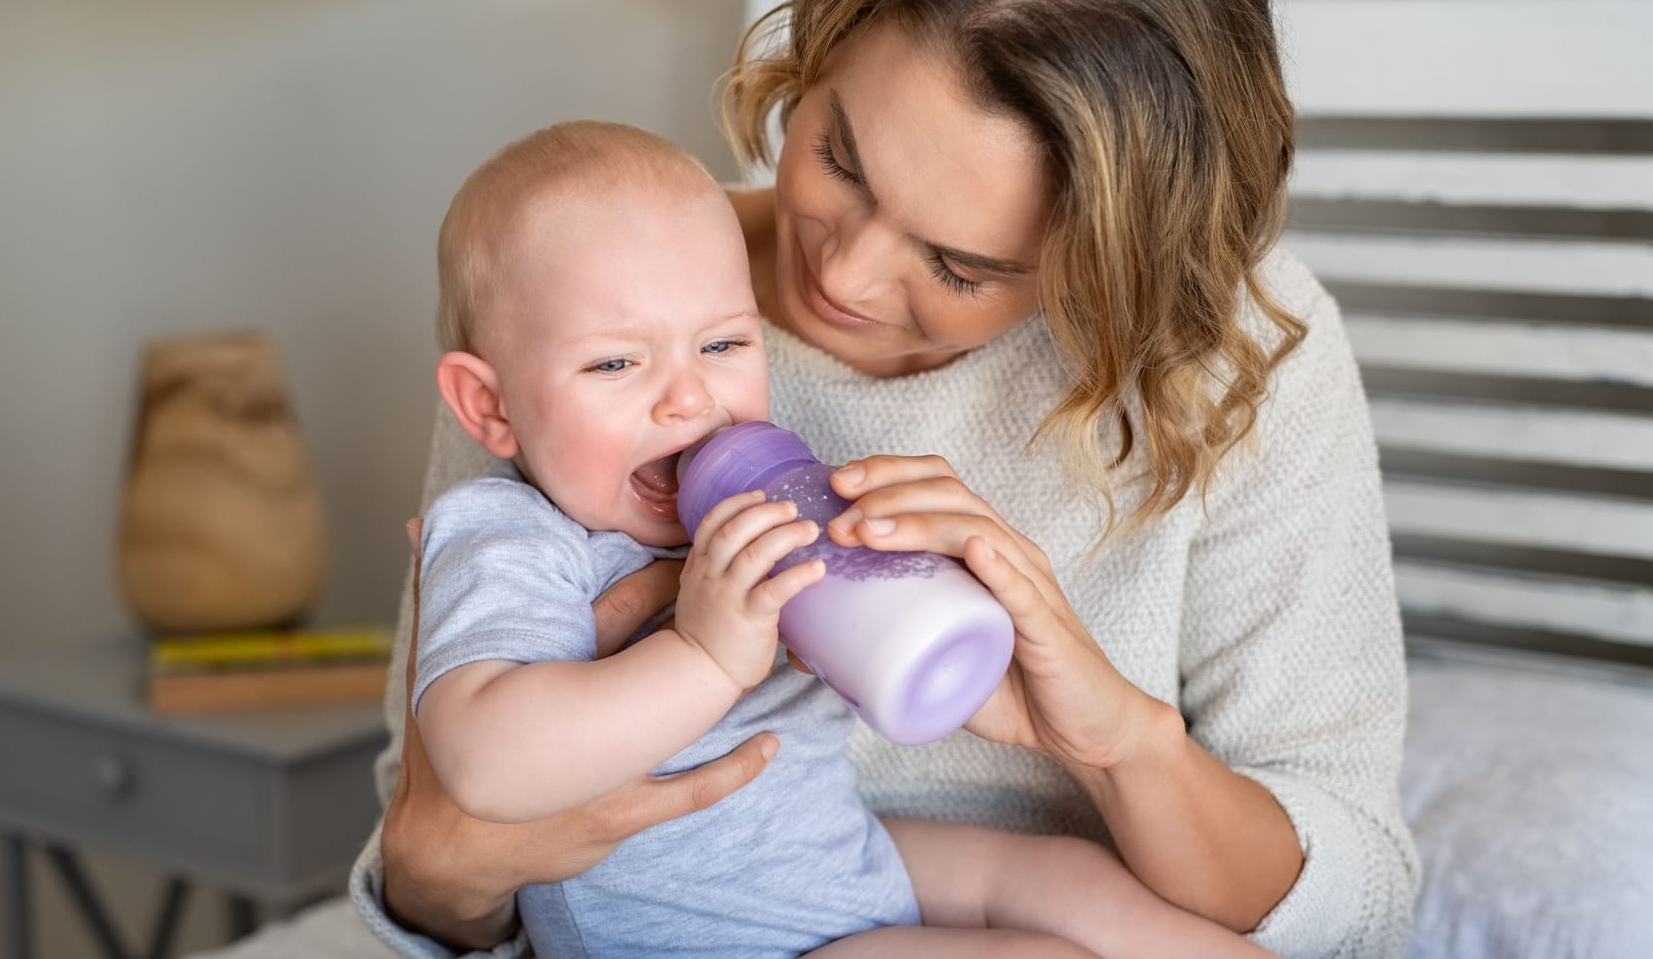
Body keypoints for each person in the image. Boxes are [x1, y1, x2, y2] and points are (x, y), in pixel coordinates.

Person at [352, 0, 1421, 956]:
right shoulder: (584, 304)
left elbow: (1359, 903)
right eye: (840, 159)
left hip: (927, 874)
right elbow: (445, 841)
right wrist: (443, 866)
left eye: (959, 264)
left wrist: (1117, 744)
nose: (846, 275)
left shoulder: (1224, 357)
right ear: (813, 60)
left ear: (1110, 269)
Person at [411, 118, 1276, 958]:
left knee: (1071, 884)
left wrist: (895, 580)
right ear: (489, 407)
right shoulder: (511, 538)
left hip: (833, 860)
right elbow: (483, 767)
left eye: (721, 343)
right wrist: (705, 658)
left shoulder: (747, 509)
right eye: (614, 364)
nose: (689, 399)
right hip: (709, 934)